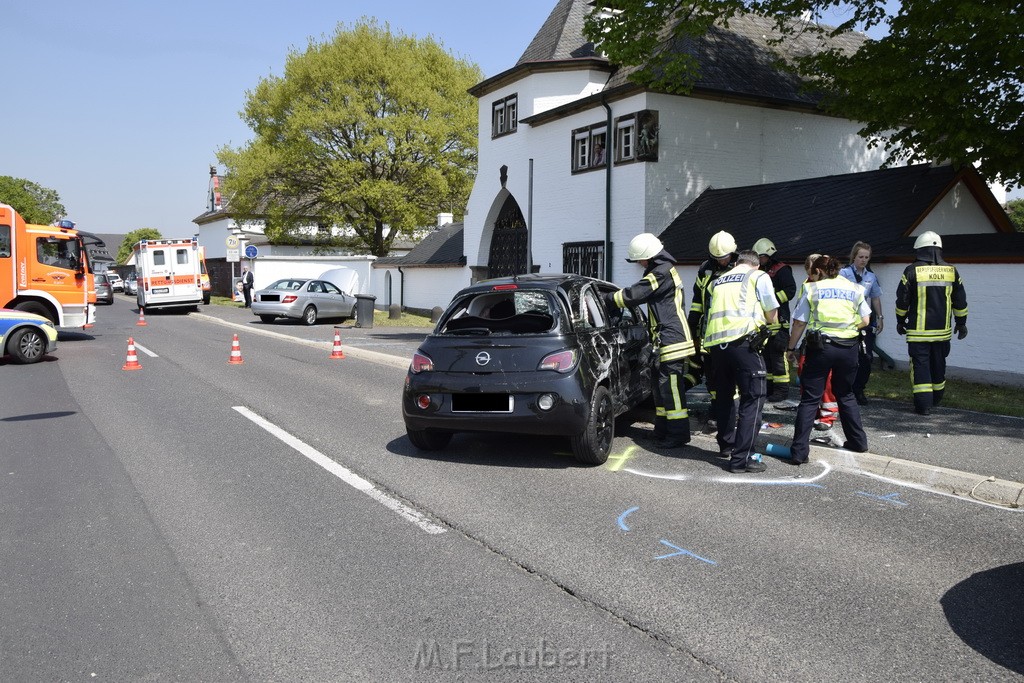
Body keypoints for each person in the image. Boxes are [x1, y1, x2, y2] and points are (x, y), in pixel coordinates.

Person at [607, 233, 696, 449]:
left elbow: (634, 294)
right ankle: (663, 430)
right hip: (664, 339)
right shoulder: (660, 270)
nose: (638, 263)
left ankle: (679, 434)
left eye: (639, 259)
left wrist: (607, 299)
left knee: (671, 389)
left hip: (673, 339)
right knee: (659, 387)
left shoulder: (661, 272)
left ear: (649, 256)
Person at [786, 255, 872, 465]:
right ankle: (858, 442)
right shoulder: (854, 288)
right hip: (849, 348)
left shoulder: (812, 289)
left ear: (819, 272)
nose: (812, 277)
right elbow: (865, 320)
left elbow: (799, 323)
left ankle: (799, 453)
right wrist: (847, 328)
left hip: (821, 348)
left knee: (810, 399)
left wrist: (791, 348)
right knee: (846, 394)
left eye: (813, 274)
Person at [703, 249, 779, 473]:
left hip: (717, 347)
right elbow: (771, 313)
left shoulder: (717, 281)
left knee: (725, 398)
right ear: (756, 265)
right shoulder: (758, 276)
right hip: (744, 344)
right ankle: (741, 459)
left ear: (737, 262)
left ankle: (727, 445)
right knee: (753, 398)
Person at [894, 231, 968, 416]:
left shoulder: (911, 270)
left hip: (918, 333)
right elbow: (960, 300)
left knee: (920, 367)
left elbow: (902, 300)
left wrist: (900, 321)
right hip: (942, 333)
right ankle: (936, 399)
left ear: (919, 250)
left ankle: (923, 405)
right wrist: (961, 323)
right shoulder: (951, 271)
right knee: (938, 365)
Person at [684, 231, 738, 395]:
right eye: (717, 258)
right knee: (711, 373)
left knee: (730, 375)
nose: (721, 261)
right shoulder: (705, 269)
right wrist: (692, 321)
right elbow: (698, 298)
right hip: (708, 330)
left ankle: (731, 411)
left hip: (731, 331)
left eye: (724, 257)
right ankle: (716, 409)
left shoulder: (739, 269)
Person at [839, 241, 884, 405]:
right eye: (860, 257)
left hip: (865, 321)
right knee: (847, 358)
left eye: (866, 257)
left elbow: (876, 298)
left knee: (866, 358)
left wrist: (880, 317)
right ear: (854, 257)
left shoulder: (870, 276)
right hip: (847, 320)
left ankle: (859, 389)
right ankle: (845, 389)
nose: (863, 260)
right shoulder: (843, 274)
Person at [753, 238, 797, 402]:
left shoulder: (782, 270)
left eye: (762, 257)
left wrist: (771, 300)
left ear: (769, 255)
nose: (760, 260)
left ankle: (781, 390)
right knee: (766, 357)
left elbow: (790, 290)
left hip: (780, 319)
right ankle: (770, 388)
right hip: (765, 320)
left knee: (778, 356)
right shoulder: (760, 271)